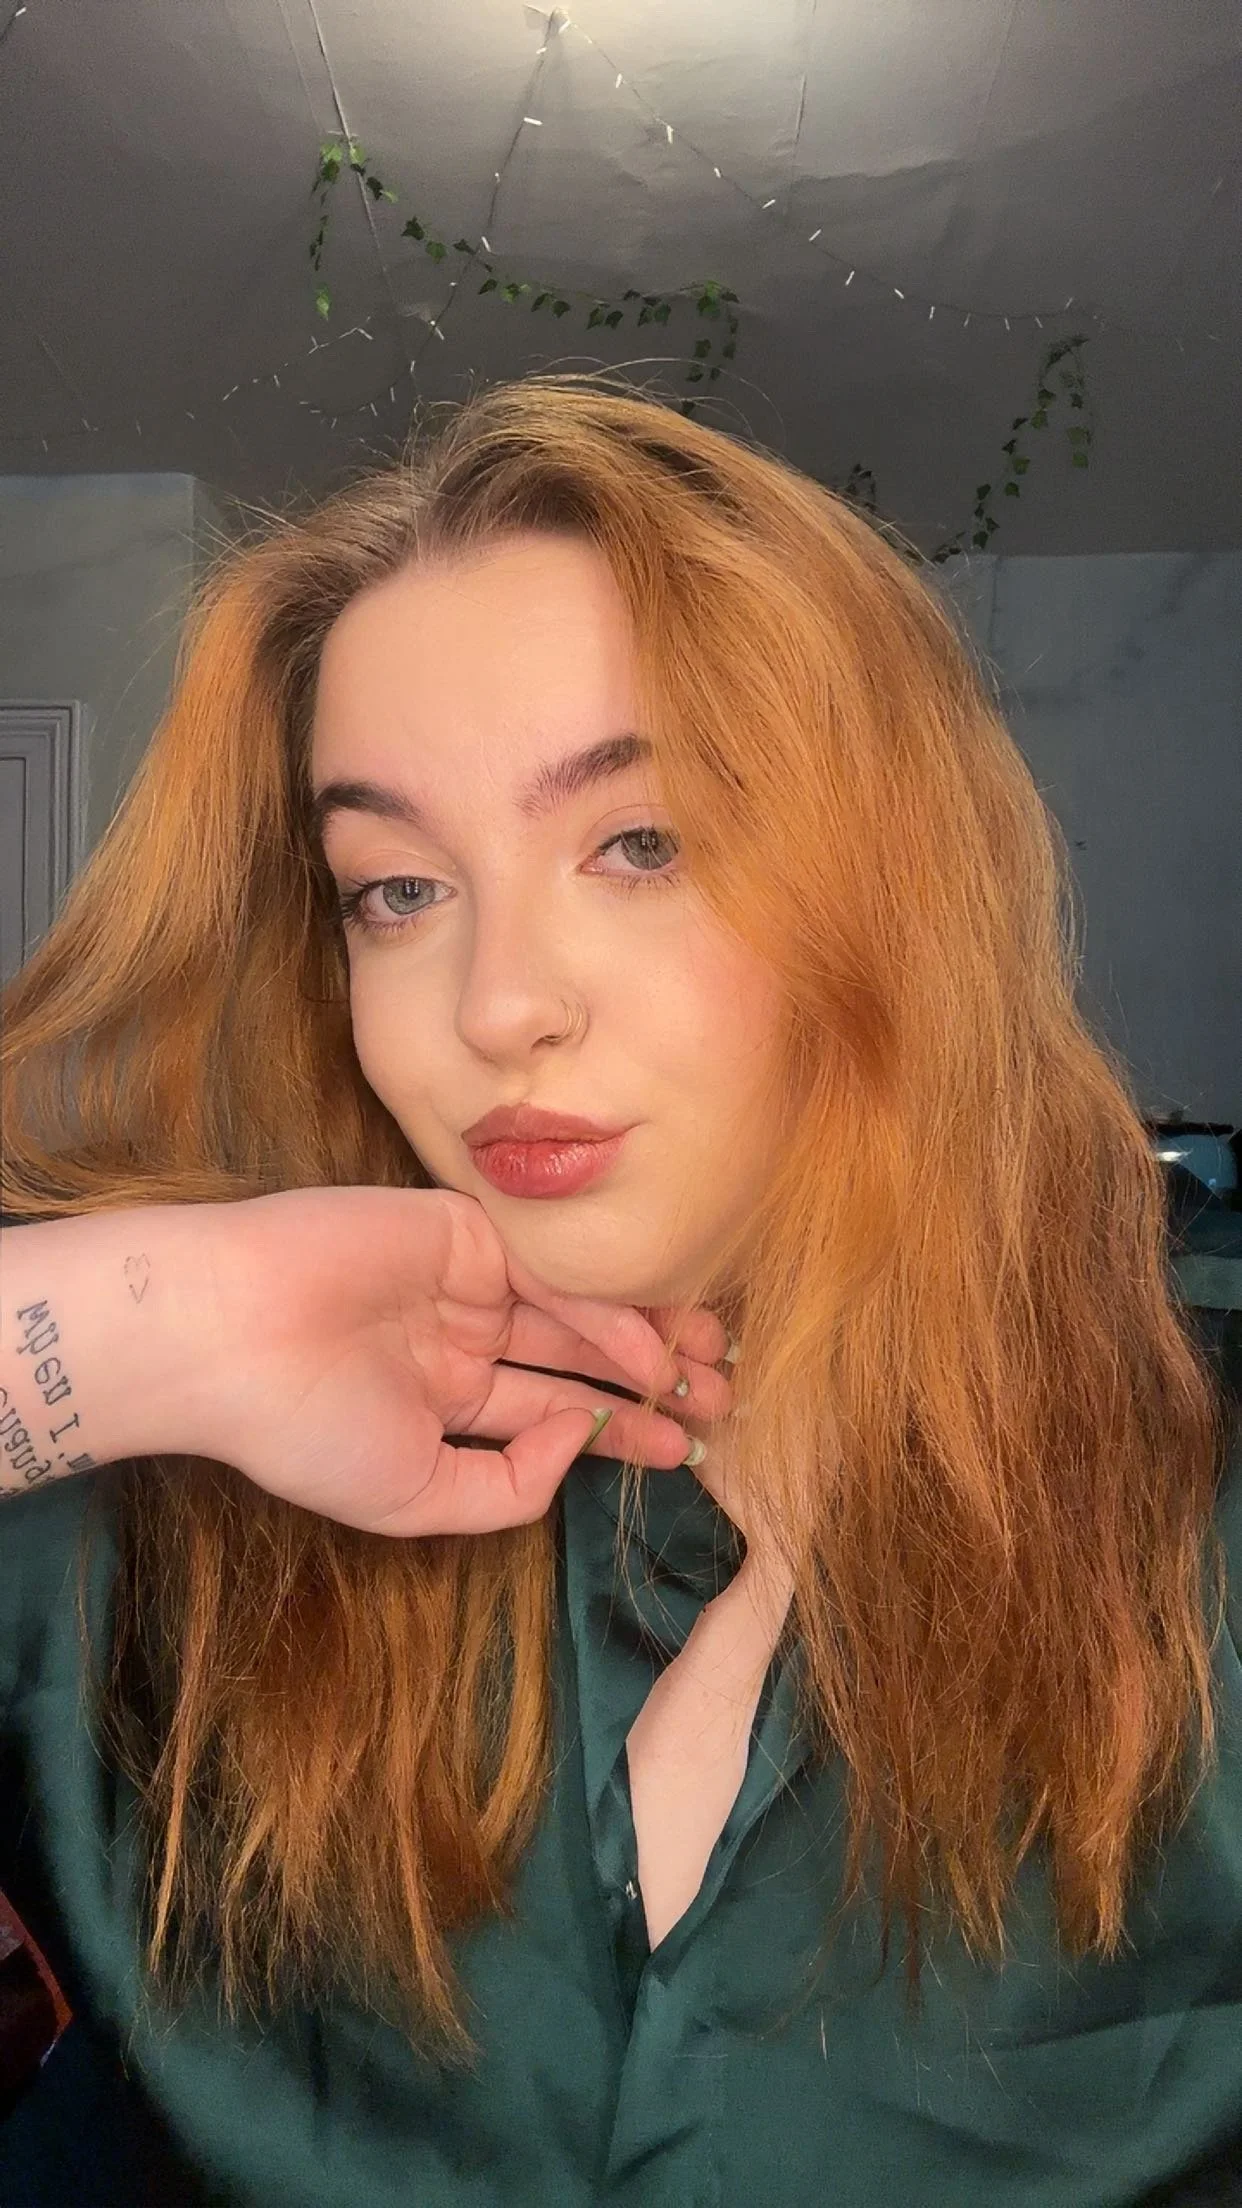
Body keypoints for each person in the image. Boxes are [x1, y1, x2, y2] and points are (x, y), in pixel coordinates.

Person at [1, 373, 1239, 2207]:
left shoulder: (1193, 1493)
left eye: (638, 845)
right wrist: (127, 1334)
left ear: (893, 886)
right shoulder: (174, 1506)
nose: (497, 1006)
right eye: (398, 889)